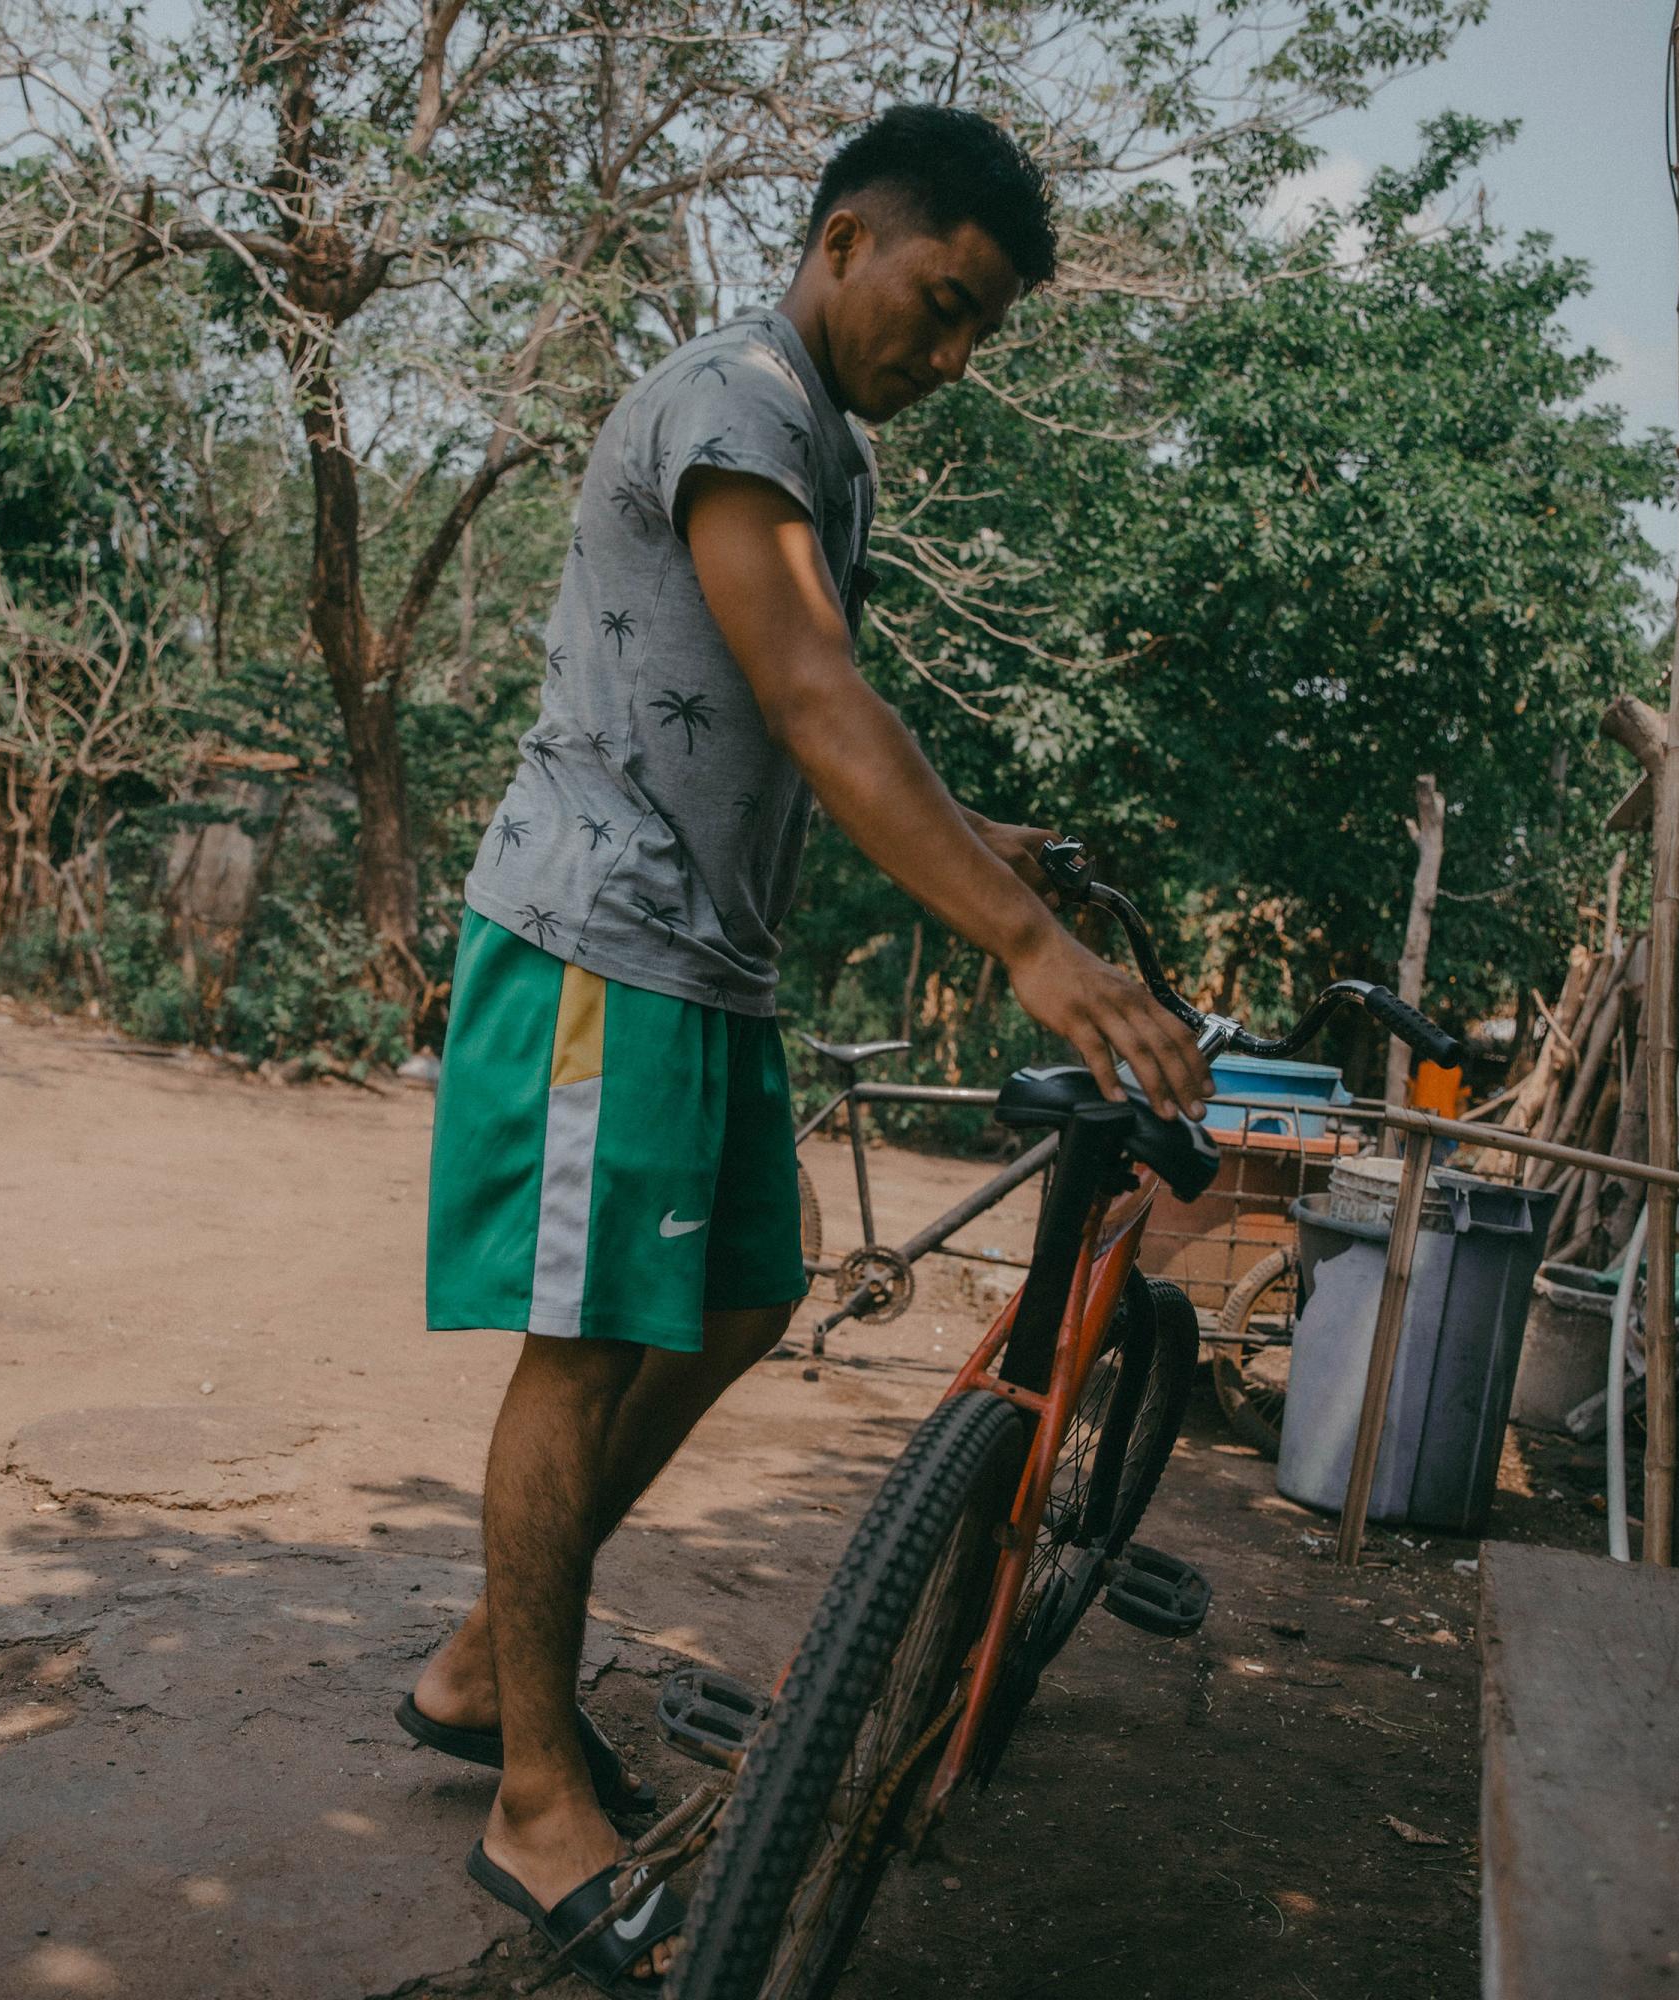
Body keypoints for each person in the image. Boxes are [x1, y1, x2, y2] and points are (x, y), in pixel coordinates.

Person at [406, 105, 1209, 1989]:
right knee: (588, 1351)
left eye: (977, 335)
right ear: (845, 234)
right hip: (602, 943)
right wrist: (1033, 944)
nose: (946, 360)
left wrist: (980, 840)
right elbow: (813, 689)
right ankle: (534, 1800)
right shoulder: (739, 404)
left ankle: (475, 1666)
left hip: (710, 967)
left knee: (749, 1299)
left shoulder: (821, 448)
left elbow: (791, 723)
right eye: (937, 306)